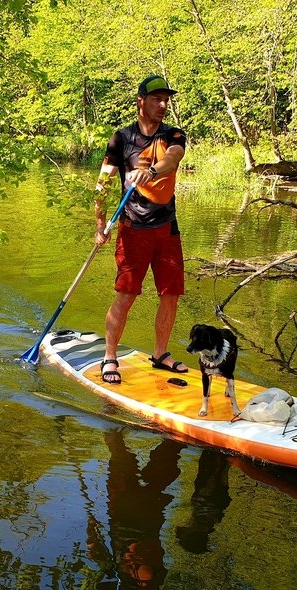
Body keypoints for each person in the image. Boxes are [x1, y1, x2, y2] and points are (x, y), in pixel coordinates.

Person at [94, 75, 188, 384]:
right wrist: (100, 222)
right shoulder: (121, 139)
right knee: (127, 294)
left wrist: (150, 171)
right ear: (141, 101)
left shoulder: (173, 134)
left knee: (171, 294)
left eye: (166, 100)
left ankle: (160, 354)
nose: (163, 105)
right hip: (133, 228)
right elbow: (104, 181)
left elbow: (173, 159)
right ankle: (110, 357)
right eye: (156, 99)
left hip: (167, 229)